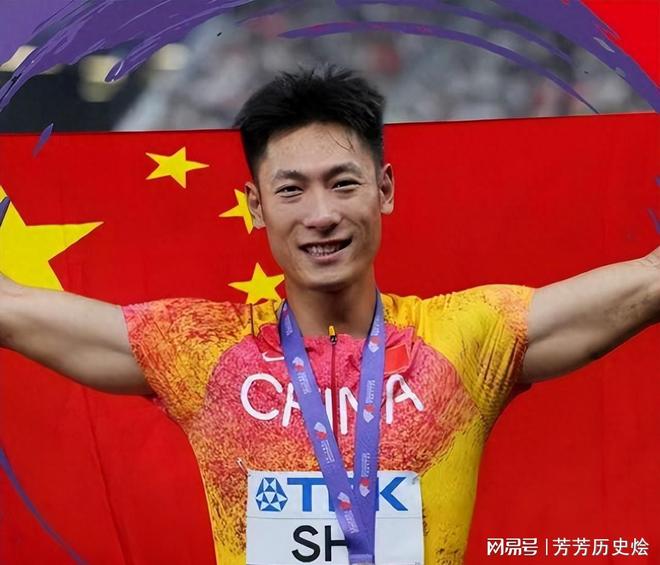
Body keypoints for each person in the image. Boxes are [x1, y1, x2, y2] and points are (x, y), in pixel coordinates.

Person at [0, 64, 657, 565]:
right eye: (291, 190)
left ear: (384, 189)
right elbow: (10, 308)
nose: (321, 215)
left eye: (343, 183)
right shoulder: (200, 349)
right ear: (256, 207)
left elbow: (650, 281)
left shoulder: (469, 337)